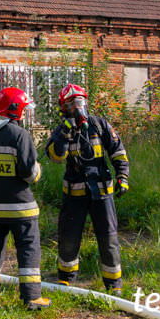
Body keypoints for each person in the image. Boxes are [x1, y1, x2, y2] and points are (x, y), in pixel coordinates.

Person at [0, 87, 52, 310]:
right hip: (21, 209)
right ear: (14, 110)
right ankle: (32, 298)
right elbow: (28, 173)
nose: (24, 113)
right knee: (28, 250)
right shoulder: (20, 135)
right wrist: (37, 171)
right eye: (23, 108)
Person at [46, 83, 130, 295]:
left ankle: (114, 284)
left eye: (79, 101)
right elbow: (56, 156)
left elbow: (118, 151)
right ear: (63, 108)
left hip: (101, 191)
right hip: (74, 193)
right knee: (69, 237)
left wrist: (122, 177)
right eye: (71, 103)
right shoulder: (61, 130)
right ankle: (65, 280)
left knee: (108, 237)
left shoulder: (99, 124)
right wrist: (65, 132)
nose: (77, 106)